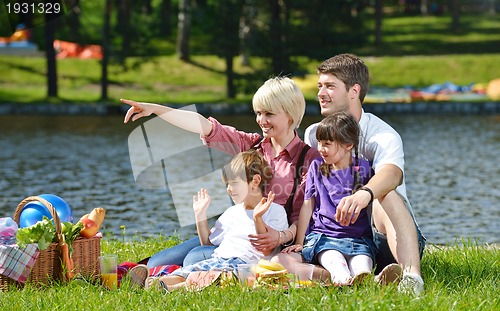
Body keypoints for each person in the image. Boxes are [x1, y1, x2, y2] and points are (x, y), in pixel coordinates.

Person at [121, 76, 321, 269]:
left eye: (269, 114)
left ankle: (181, 276)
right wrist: (156, 109)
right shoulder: (251, 146)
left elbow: (303, 215)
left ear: (290, 115)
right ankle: (150, 273)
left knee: (193, 259)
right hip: (235, 235)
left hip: (268, 245)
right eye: (258, 113)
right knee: (157, 262)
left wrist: (281, 237)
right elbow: (205, 126)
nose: (261, 120)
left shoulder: (308, 158)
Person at [303, 54, 426, 294]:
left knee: (385, 193)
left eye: (330, 86)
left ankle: (411, 278)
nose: (320, 93)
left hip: (386, 237)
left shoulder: (382, 134)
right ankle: (362, 277)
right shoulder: (315, 134)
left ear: (354, 91)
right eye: (319, 86)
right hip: (335, 236)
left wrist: (365, 194)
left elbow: (392, 174)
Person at [128, 150, 288, 290]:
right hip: (219, 258)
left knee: (210, 278)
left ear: (255, 181)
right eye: (227, 185)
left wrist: (257, 218)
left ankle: (171, 289)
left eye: (233, 184)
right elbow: (207, 244)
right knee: (187, 272)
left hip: (243, 264)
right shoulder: (232, 212)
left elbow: (267, 250)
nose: (228, 190)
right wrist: (200, 215)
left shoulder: (274, 211)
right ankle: (152, 283)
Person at [278, 112, 377, 286]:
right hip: (325, 238)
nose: (320, 148)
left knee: (362, 262)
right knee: (334, 259)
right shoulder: (317, 167)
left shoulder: (364, 168)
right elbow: (307, 205)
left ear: (348, 145)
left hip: (358, 239)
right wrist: (300, 241)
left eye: (327, 144)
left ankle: (366, 277)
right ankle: (342, 279)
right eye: (319, 143)